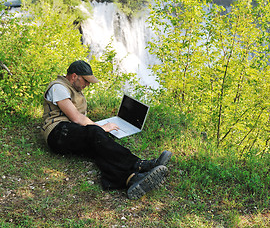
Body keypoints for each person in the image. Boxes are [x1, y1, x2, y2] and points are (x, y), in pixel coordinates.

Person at [41, 60, 172, 200]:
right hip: (57, 132)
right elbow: (76, 118)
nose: (87, 85)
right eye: (86, 81)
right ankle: (140, 164)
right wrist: (101, 128)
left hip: (70, 132)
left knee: (100, 148)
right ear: (74, 76)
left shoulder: (73, 88)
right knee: (96, 133)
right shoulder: (58, 87)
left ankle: (130, 179)